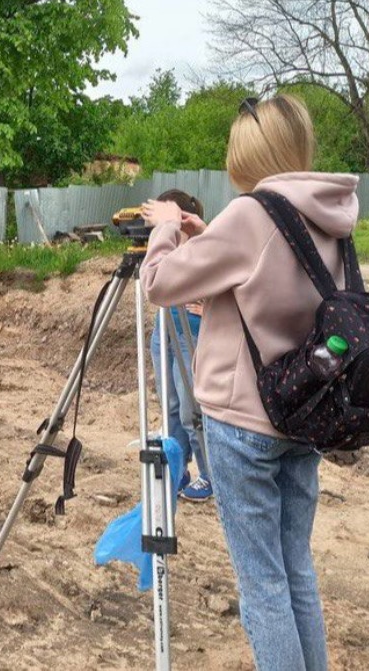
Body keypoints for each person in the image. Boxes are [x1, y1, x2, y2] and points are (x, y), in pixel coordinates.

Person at [140, 94, 357, 671]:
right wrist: (208, 233)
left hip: (243, 423)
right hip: (304, 414)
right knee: (295, 573)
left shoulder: (252, 214)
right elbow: (271, 273)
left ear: (249, 156)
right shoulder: (333, 215)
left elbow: (160, 284)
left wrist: (165, 229)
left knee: (262, 586)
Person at [148, 189, 212, 502]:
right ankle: (177, 468)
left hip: (193, 333)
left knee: (191, 409)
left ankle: (210, 474)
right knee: (170, 406)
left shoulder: (202, 245)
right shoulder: (165, 242)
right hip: (166, 326)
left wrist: (208, 305)